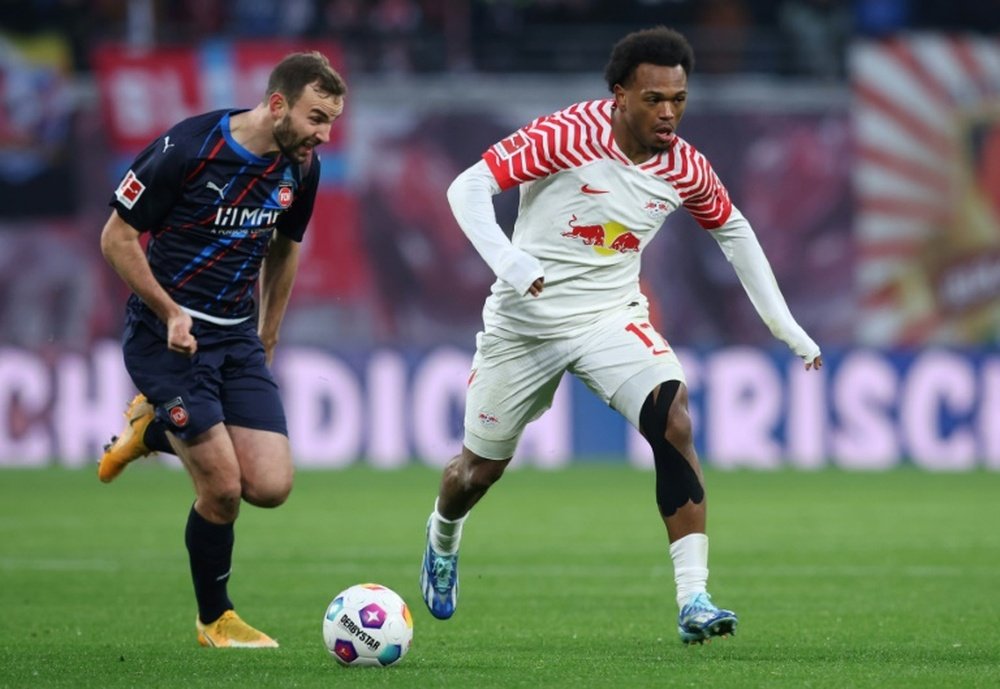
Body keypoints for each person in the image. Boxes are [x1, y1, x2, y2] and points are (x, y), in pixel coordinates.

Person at [419, 26, 822, 645]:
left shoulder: (686, 167)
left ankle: (695, 599)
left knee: (674, 418)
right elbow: (466, 187)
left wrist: (783, 323)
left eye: (679, 100)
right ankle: (443, 536)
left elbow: (734, 233)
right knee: (476, 473)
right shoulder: (566, 135)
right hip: (523, 324)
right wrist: (510, 262)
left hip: (611, 317)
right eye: (654, 99)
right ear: (619, 95)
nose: (668, 113)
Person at [98, 51, 346, 648]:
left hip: (235, 337)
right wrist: (169, 311)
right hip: (167, 340)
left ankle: (151, 430)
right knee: (223, 490)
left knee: (271, 487)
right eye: (316, 118)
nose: (324, 135)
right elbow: (117, 237)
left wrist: (268, 333)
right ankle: (216, 620)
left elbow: (286, 247)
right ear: (278, 103)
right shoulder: (187, 148)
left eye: (332, 122)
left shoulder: (300, 168)